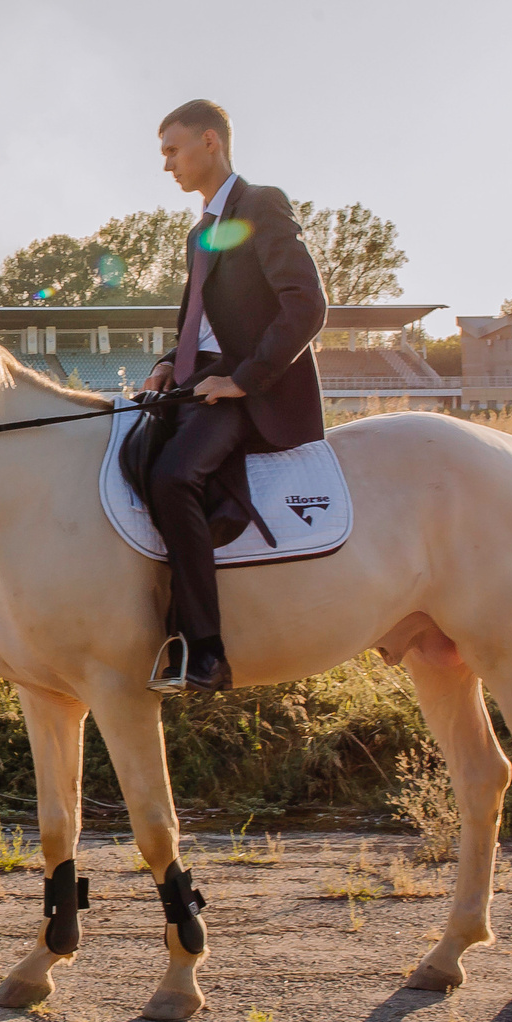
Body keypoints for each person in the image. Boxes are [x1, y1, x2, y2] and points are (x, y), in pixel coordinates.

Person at [137, 100, 327, 693]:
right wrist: (172, 362)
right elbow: (204, 318)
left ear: (210, 142)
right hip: (202, 376)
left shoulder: (261, 204)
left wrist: (243, 379)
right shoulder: (199, 230)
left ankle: (207, 652)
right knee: (131, 457)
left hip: (254, 387)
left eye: (173, 149)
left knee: (173, 476)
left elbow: (307, 305)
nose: (166, 163)